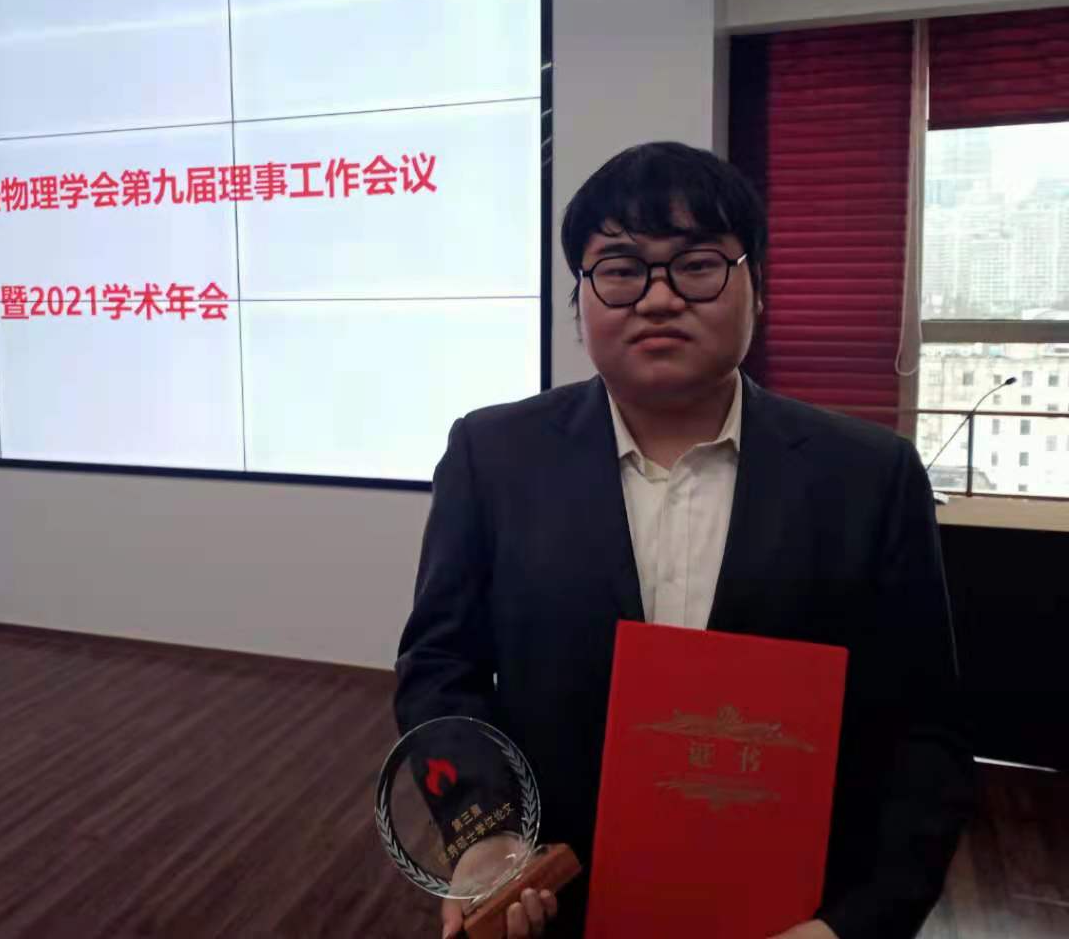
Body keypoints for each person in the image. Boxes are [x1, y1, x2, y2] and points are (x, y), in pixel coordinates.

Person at [394, 142, 974, 939]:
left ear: (757, 287)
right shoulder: (492, 456)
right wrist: (486, 833)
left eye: (697, 265)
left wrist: (858, 923)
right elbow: (439, 669)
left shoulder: (870, 476)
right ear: (579, 301)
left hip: (793, 911)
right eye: (621, 269)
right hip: (555, 896)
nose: (659, 298)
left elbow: (926, 729)